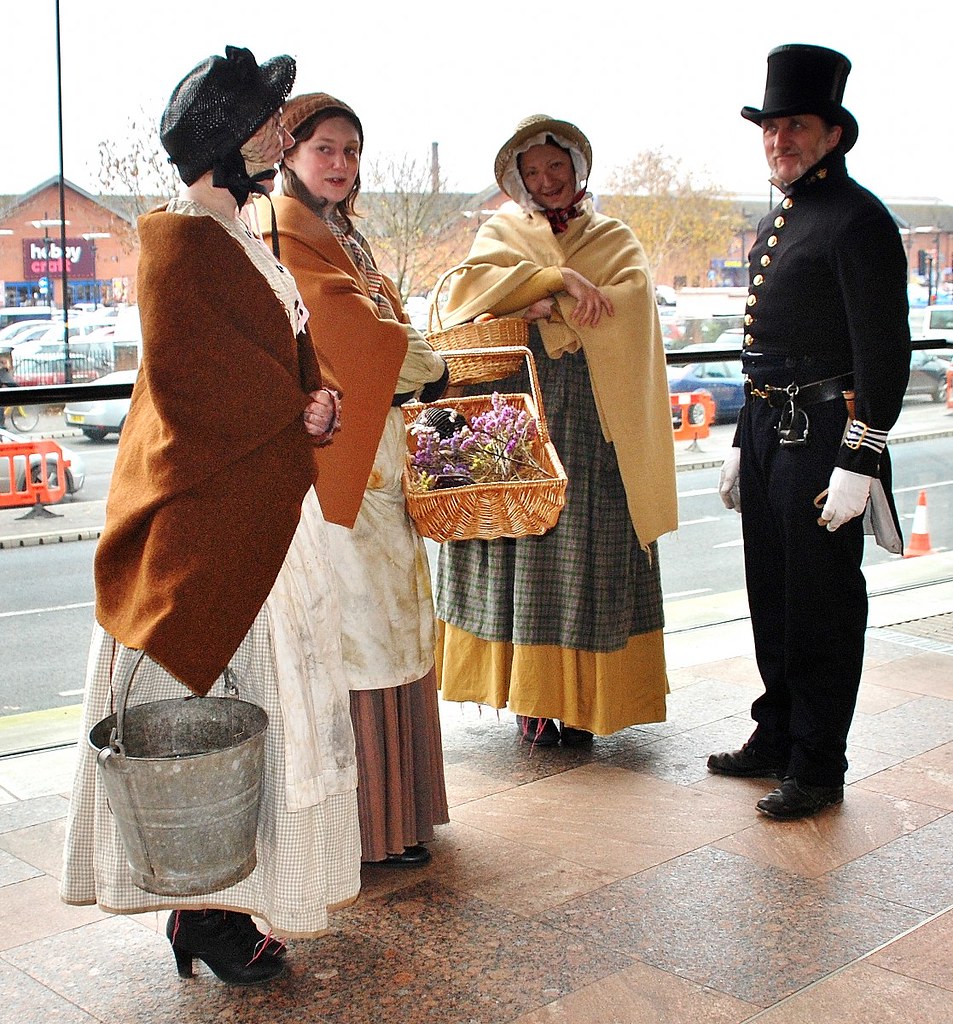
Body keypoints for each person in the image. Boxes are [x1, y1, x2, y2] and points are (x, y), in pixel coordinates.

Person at [60, 46, 361, 984]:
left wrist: (319, 392)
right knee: (209, 722)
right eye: (267, 121)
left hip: (262, 505)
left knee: (254, 713)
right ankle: (205, 915)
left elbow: (283, 343)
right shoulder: (180, 237)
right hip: (213, 518)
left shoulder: (239, 232)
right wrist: (293, 408)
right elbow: (191, 383)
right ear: (228, 138)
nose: (280, 133)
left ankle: (223, 906)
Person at [708, 45, 911, 819]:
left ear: (832, 134)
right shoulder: (781, 217)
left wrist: (860, 455)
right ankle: (777, 733)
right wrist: (740, 440)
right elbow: (766, 347)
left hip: (825, 429)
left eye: (794, 126)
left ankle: (818, 765)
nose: (778, 140)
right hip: (769, 425)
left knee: (820, 600)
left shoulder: (857, 220)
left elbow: (882, 350)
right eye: (769, 128)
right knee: (770, 589)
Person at [433, 115, 678, 747]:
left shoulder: (614, 237)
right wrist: (550, 284)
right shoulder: (500, 232)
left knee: (590, 556)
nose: (546, 181)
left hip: (596, 425)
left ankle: (585, 702)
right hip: (518, 417)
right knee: (522, 553)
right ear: (518, 179)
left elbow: (626, 305)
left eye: (556, 167)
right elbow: (465, 300)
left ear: (577, 168)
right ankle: (533, 701)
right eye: (533, 171)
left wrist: (544, 303)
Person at [257, 92, 450, 866]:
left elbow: (383, 326)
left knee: (391, 624)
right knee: (359, 632)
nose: (340, 164)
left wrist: (412, 356)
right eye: (323, 149)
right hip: (336, 458)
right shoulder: (283, 228)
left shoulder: (339, 232)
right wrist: (427, 363)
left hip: (374, 448)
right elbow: (358, 336)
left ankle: (396, 818)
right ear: (288, 155)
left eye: (350, 150)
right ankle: (366, 829)